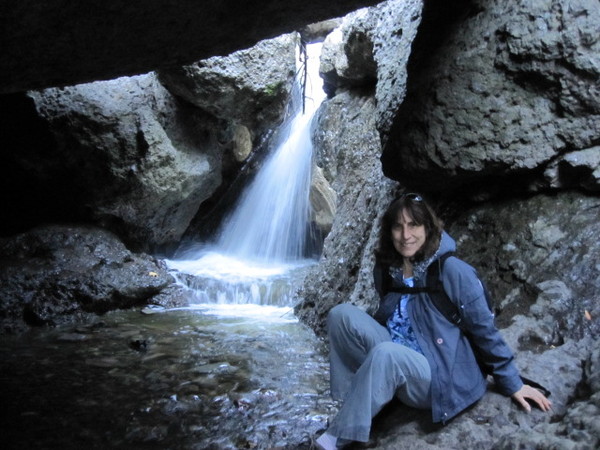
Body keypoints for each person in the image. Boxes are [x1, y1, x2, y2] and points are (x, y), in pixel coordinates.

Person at [315, 193, 552, 449]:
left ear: (428, 227)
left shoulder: (453, 271)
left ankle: (338, 436)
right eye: (398, 226)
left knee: (387, 354)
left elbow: (485, 330)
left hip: (438, 372)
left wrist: (512, 382)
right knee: (341, 315)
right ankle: (360, 403)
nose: (406, 235)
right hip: (398, 354)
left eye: (414, 225)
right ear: (389, 230)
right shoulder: (387, 269)